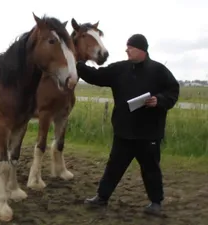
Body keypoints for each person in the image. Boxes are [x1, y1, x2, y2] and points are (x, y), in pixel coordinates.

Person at [75, 33, 180, 216]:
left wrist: (159, 100)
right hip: (124, 130)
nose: (126, 50)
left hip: (149, 133)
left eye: (130, 47)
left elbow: (172, 91)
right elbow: (96, 76)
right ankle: (101, 198)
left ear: (141, 50)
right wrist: (78, 64)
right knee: (114, 166)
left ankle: (156, 203)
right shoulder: (120, 69)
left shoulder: (159, 70)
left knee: (151, 169)